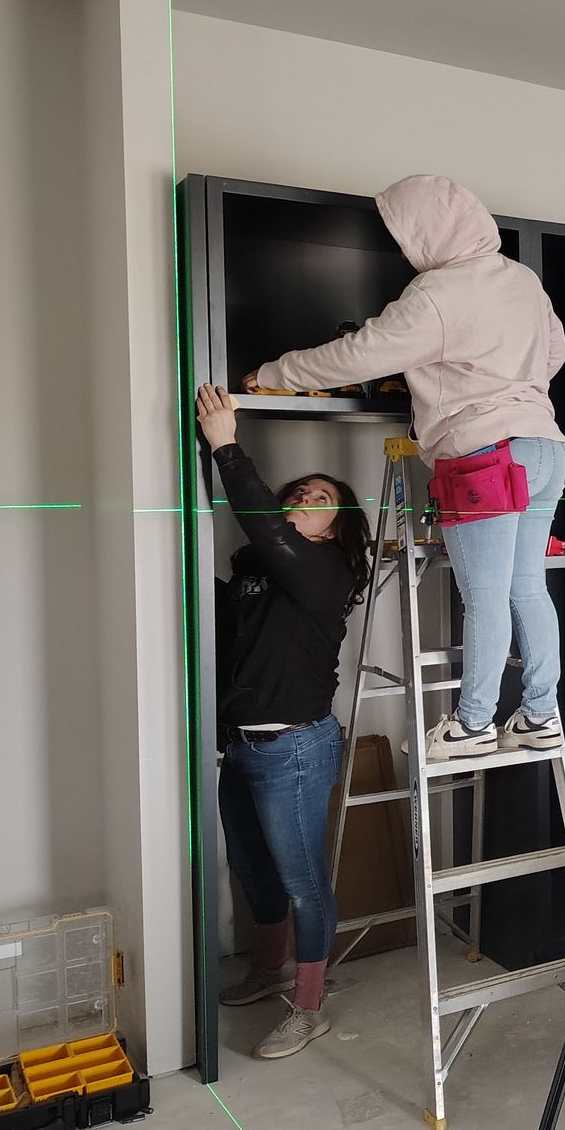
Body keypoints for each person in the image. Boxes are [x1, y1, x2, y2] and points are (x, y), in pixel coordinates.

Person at [243, 174, 565, 762]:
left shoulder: (439, 292)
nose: (401, 247)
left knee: (487, 595)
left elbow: (361, 351)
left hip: (486, 454)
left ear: (427, 231)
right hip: (546, 446)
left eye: (403, 233)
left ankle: (472, 726)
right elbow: (555, 352)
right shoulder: (521, 279)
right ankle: (540, 714)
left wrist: (274, 374)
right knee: (527, 587)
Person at [196, 384, 372, 1059]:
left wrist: (224, 443)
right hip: (242, 746)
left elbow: (265, 528)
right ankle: (267, 967)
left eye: (319, 499)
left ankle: (308, 1004)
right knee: (251, 866)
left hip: (295, 748)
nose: (302, 500)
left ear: (335, 529)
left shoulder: (322, 573)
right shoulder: (258, 575)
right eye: (296, 491)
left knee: (301, 880)